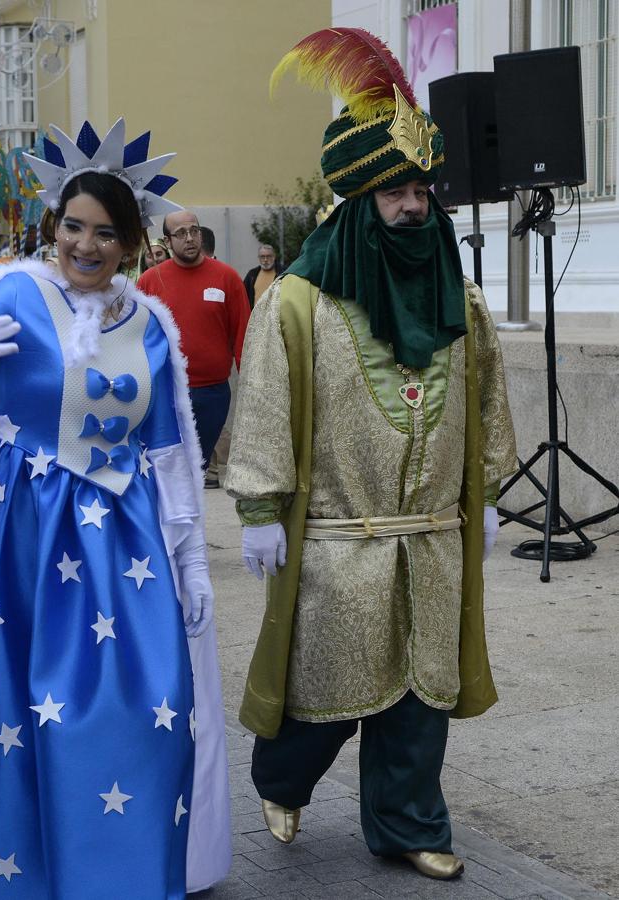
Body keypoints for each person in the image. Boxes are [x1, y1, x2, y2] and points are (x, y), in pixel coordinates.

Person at [0, 119, 231, 899]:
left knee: (153, 710)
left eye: (106, 232)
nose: (86, 243)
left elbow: (170, 451)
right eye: (74, 225)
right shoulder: (9, 293)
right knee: (22, 726)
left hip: (128, 547)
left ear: (130, 242)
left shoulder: (152, 325)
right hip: (23, 544)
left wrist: (192, 560)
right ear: (54, 224)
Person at [226, 29, 518, 882]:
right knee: (323, 694)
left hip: (430, 535)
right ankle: (281, 778)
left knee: (422, 698)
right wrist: (257, 508)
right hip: (336, 539)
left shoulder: (459, 294)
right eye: (395, 191)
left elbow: (489, 395)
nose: (414, 205)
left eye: (423, 188)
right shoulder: (297, 302)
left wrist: (489, 490)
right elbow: (267, 405)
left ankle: (409, 823)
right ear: (359, 198)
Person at [138, 210, 250, 489]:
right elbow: (137, 337)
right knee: (167, 469)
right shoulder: (151, 281)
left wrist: (250, 381)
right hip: (166, 391)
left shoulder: (227, 277)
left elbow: (243, 332)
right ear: (167, 240)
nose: (190, 238)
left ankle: (189, 527)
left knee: (196, 468)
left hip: (213, 393)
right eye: (181, 233)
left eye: (194, 231)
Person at [242, 244, 280, 309]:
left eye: (268, 256)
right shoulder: (252, 275)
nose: (265, 259)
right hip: (255, 317)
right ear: (259, 258)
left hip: (275, 316)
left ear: (274, 257)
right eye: (262, 257)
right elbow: (243, 296)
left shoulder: (282, 273)